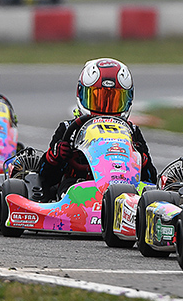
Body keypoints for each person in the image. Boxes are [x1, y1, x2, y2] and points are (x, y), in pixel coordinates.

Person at [38, 58, 157, 199]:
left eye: (114, 100)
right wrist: (54, 157)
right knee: (68, 188)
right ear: (81, 94)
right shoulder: (68, 129)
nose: (105, 108)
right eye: (98, 99)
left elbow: (151, 179)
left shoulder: (132, 132)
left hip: (126, 190)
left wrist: (142, 160)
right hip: (80, 189)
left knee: (149, 192)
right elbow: (44, 179)